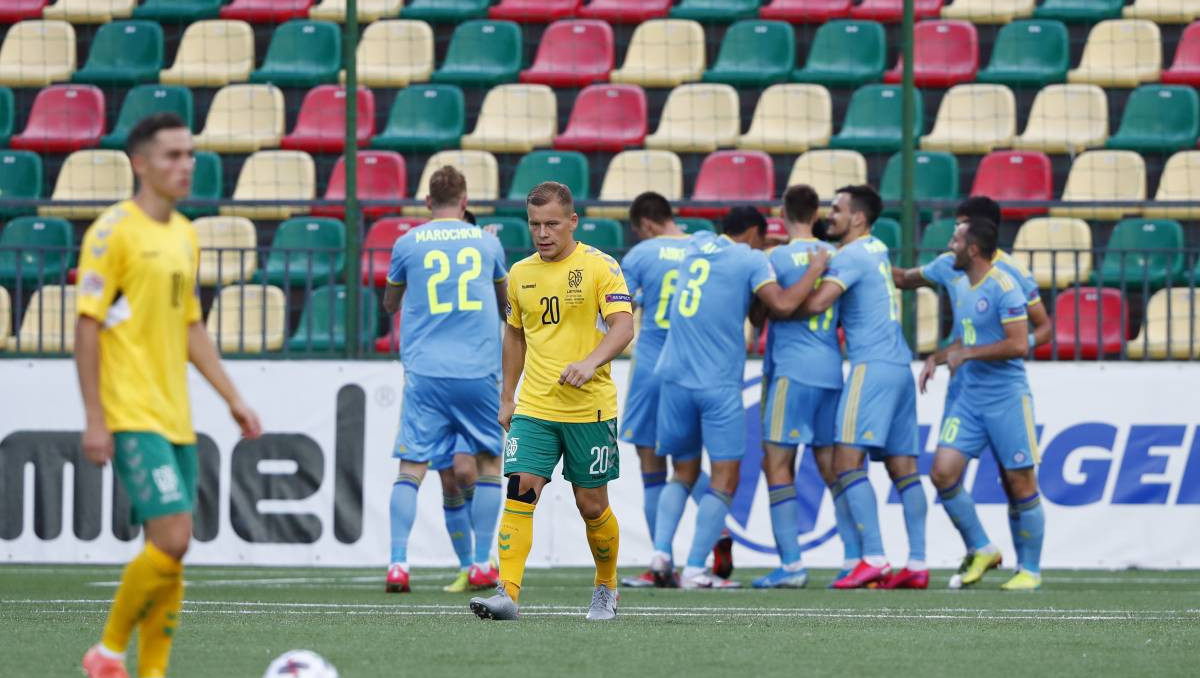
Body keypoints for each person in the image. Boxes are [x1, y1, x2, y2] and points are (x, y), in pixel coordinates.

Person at [78, 112, 263, 678]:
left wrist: (232, 396)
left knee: (172, 553)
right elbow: (87, 326)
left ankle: (152, 671)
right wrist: (96, 418)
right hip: (132, 411)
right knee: (175, 537)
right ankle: (108, 654)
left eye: (190, 155)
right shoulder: (112, 233)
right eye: (172, 156)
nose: (185, 166)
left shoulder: (185, 234)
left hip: (175, 415)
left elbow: (191, 327)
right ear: (140, 163)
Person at [469, 182, 634, 621]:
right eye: (535, 224)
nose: (542, 233)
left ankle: (606, 585)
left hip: (590, 409)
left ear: (573, 222)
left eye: (552, 224)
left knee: (591, 505)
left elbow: (622, 326)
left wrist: (590, 361)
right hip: (535, 408)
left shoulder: (601, 266)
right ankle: (507, 593)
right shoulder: (521, 274)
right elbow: (515, 335)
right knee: (520, 492)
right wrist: (508, 396)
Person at [650, 206, 829, 589]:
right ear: (753, 234)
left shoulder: (697, 244)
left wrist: (773, 244)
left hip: (673, 377)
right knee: (725, 479)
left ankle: (661, 555)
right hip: (716, 384)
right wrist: (812, 271)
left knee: (681, 471)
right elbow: (780, 304)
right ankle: (696, 569)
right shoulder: (750, 260)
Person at [892, 196, 1049, 587]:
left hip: (1004, 391)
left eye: (959, 230)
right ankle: (981, 547)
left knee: (1017, 481)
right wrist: (866, 256)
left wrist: (985, 349)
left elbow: (1035, 333)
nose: (950, 241)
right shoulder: (949, 267)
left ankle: (1028, 569)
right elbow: (903, 280)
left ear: (975, 239)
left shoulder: (1009, 279)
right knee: (943, 473)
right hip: (965, 390)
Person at [383, 166, 507, 594]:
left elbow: (389, 303)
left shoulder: (406, 242)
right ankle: (480, 563)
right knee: (490, 464)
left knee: (411, 467)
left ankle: (398, 563)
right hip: (478, 370)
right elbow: (505, 303)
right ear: (465, 199)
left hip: (426, 371)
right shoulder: (487, 242)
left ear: (426, 202)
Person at [799, 185, 929, 590]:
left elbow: (818, 304)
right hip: (900, 366)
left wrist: (805, 279)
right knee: (904, 469)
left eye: (836, 209)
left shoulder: (851, 255)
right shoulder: (877, 248)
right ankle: (919, 563)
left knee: (846, 464)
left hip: (870, 367)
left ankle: (872, 557)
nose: (830, 216)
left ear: (858, 217)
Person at [753, 186, 853, 589]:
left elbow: (760, 315)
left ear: (782, 212)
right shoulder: (838, 258)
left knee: (777, 464)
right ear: (817, 215)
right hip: (831, 369)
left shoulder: (773, 259)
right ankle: (855, 559)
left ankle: (792, 565)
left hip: (790, 373)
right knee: (832, 467)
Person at [617, 192, 713, 588]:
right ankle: (718, 530)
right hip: (695, 367)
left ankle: (663, 559)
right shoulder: (705, 246)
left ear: (645, 225)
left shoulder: (641, 255)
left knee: (652, 466)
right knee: (689, 465)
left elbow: (617, 310)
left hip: (652, 369)